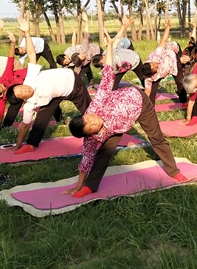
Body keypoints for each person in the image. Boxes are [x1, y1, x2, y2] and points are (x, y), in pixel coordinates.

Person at [65, 27, 188, 198]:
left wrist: (109, 46)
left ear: (87, 114)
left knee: (157, 138)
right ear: (89, 134)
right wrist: (79, 185)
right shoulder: (93, 139)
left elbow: (108, 71)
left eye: (90, 119)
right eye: (91, 127)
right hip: (117, 128)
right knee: (102, 155)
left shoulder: (97, 104)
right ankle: (90, 186)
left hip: (141, 104)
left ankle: (173, 171)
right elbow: (86, 161)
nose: (95, 122)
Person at [8, 17, 91, 154]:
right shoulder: (29, 106)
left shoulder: (30, 79)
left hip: (71, 83)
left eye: (21, 87)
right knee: (41, 118)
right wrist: (18, 145)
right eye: (22, 92)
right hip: (54, 95)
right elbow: (24, 126)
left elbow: (31, 54)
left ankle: (98, 128)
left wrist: (27, 33)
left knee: (87, 108)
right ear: (23, 99)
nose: (25, 88)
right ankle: (31, 144)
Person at [141, 18, 187, 104]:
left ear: (149, 62)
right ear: (152, 73)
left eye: (154, 64)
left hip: (172, 59)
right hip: (162, 72)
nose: (156, 65)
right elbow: (147, 91)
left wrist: (168, 28)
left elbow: (163, 41)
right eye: (155, 68)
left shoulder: (155, 56)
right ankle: (150, 108)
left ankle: (184, 102)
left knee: (180, 82)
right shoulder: (149, 78)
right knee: (153, 91)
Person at [91, 17, 142, 89]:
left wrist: (123, 26)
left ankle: (149, 91)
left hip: (133, 59)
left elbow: (118, 38)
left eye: (104, 58)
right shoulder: (105, 70)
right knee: (114, 84)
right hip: (120, 68)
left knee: (142, 76)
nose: (106, 60)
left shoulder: (109, 52)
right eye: (103, 62)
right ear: (101, 65)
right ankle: (113, 96)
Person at [56, 15, 101, 85]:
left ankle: (92, 82)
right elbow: (77, 70)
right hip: (84, 61)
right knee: (79, 74)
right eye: (65, 64)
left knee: (89, 69)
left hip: (95, 51)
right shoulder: (78, 62)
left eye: (66, 62)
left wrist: (86, 22)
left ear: (66, 56)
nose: (67, 63)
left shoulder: (80, 50)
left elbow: (84, 36)